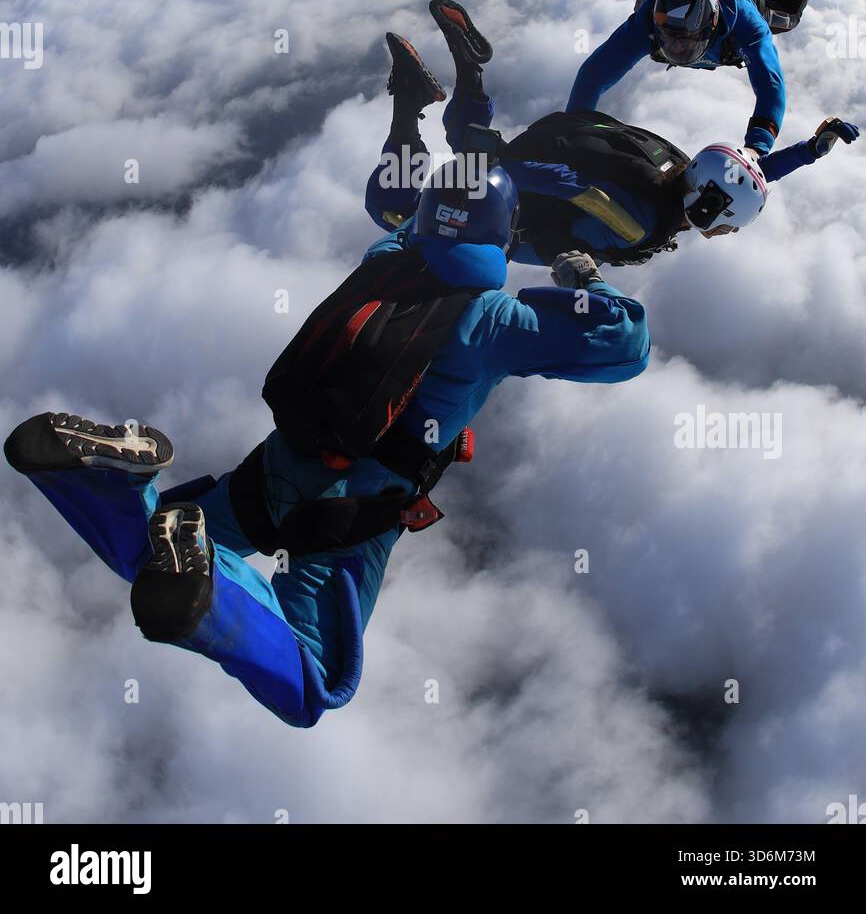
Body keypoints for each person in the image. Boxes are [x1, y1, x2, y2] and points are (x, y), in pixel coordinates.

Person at [5, 161, 649, 729]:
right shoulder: (494, 321)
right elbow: (625, 345)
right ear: (502, 234)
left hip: (274, 465)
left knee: (154, 552)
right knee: (313, 685)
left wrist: (460, 165)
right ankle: (209, 594)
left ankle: (104, 479)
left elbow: (403, 215)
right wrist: (579, 271)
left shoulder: (385, 259)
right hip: (346, 510)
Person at [365, 0, 859, 267]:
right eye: (732, 224)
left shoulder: (684, 171)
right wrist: (502, 182)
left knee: (463, 136)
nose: (729, 232)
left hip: (545, 145)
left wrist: (811, 151)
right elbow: (571, 187)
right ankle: (411, 100)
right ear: (708, 212)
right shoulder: (638, 223)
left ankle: (462, 75)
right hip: (506, 215)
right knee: (392, 211)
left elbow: (748, 170)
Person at [566, 0, 849, 159]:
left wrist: (756, 149)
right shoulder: (648, 21)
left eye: (686, 39)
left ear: (711, 25)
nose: (677, 47)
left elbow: (770, 87)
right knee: (644, 2)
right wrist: (572, 130)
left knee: (788, 17)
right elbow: (593, 74)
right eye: (669, 37)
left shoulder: (746, 23)